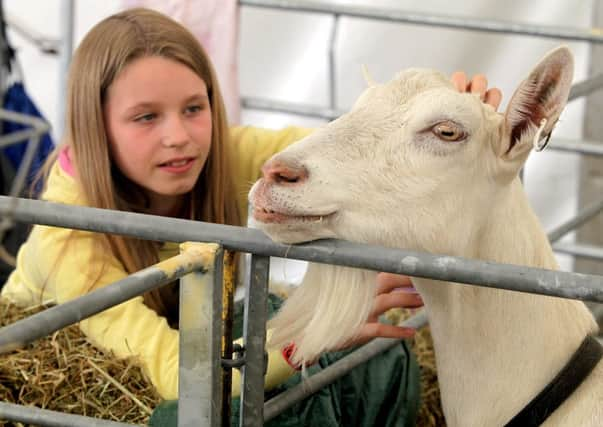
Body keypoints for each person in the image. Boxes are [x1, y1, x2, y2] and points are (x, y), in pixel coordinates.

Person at [0, 7, 501, 425]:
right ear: (96, 125)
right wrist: (317, 329)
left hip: (177, 341)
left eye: (194, 108)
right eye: (146, 117)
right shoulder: (69, 235)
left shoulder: (214, 156)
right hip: (84, 378)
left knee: (322, 342)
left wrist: (440, 123)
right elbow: (180, 376)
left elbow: (342, 156)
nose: (179, 136)